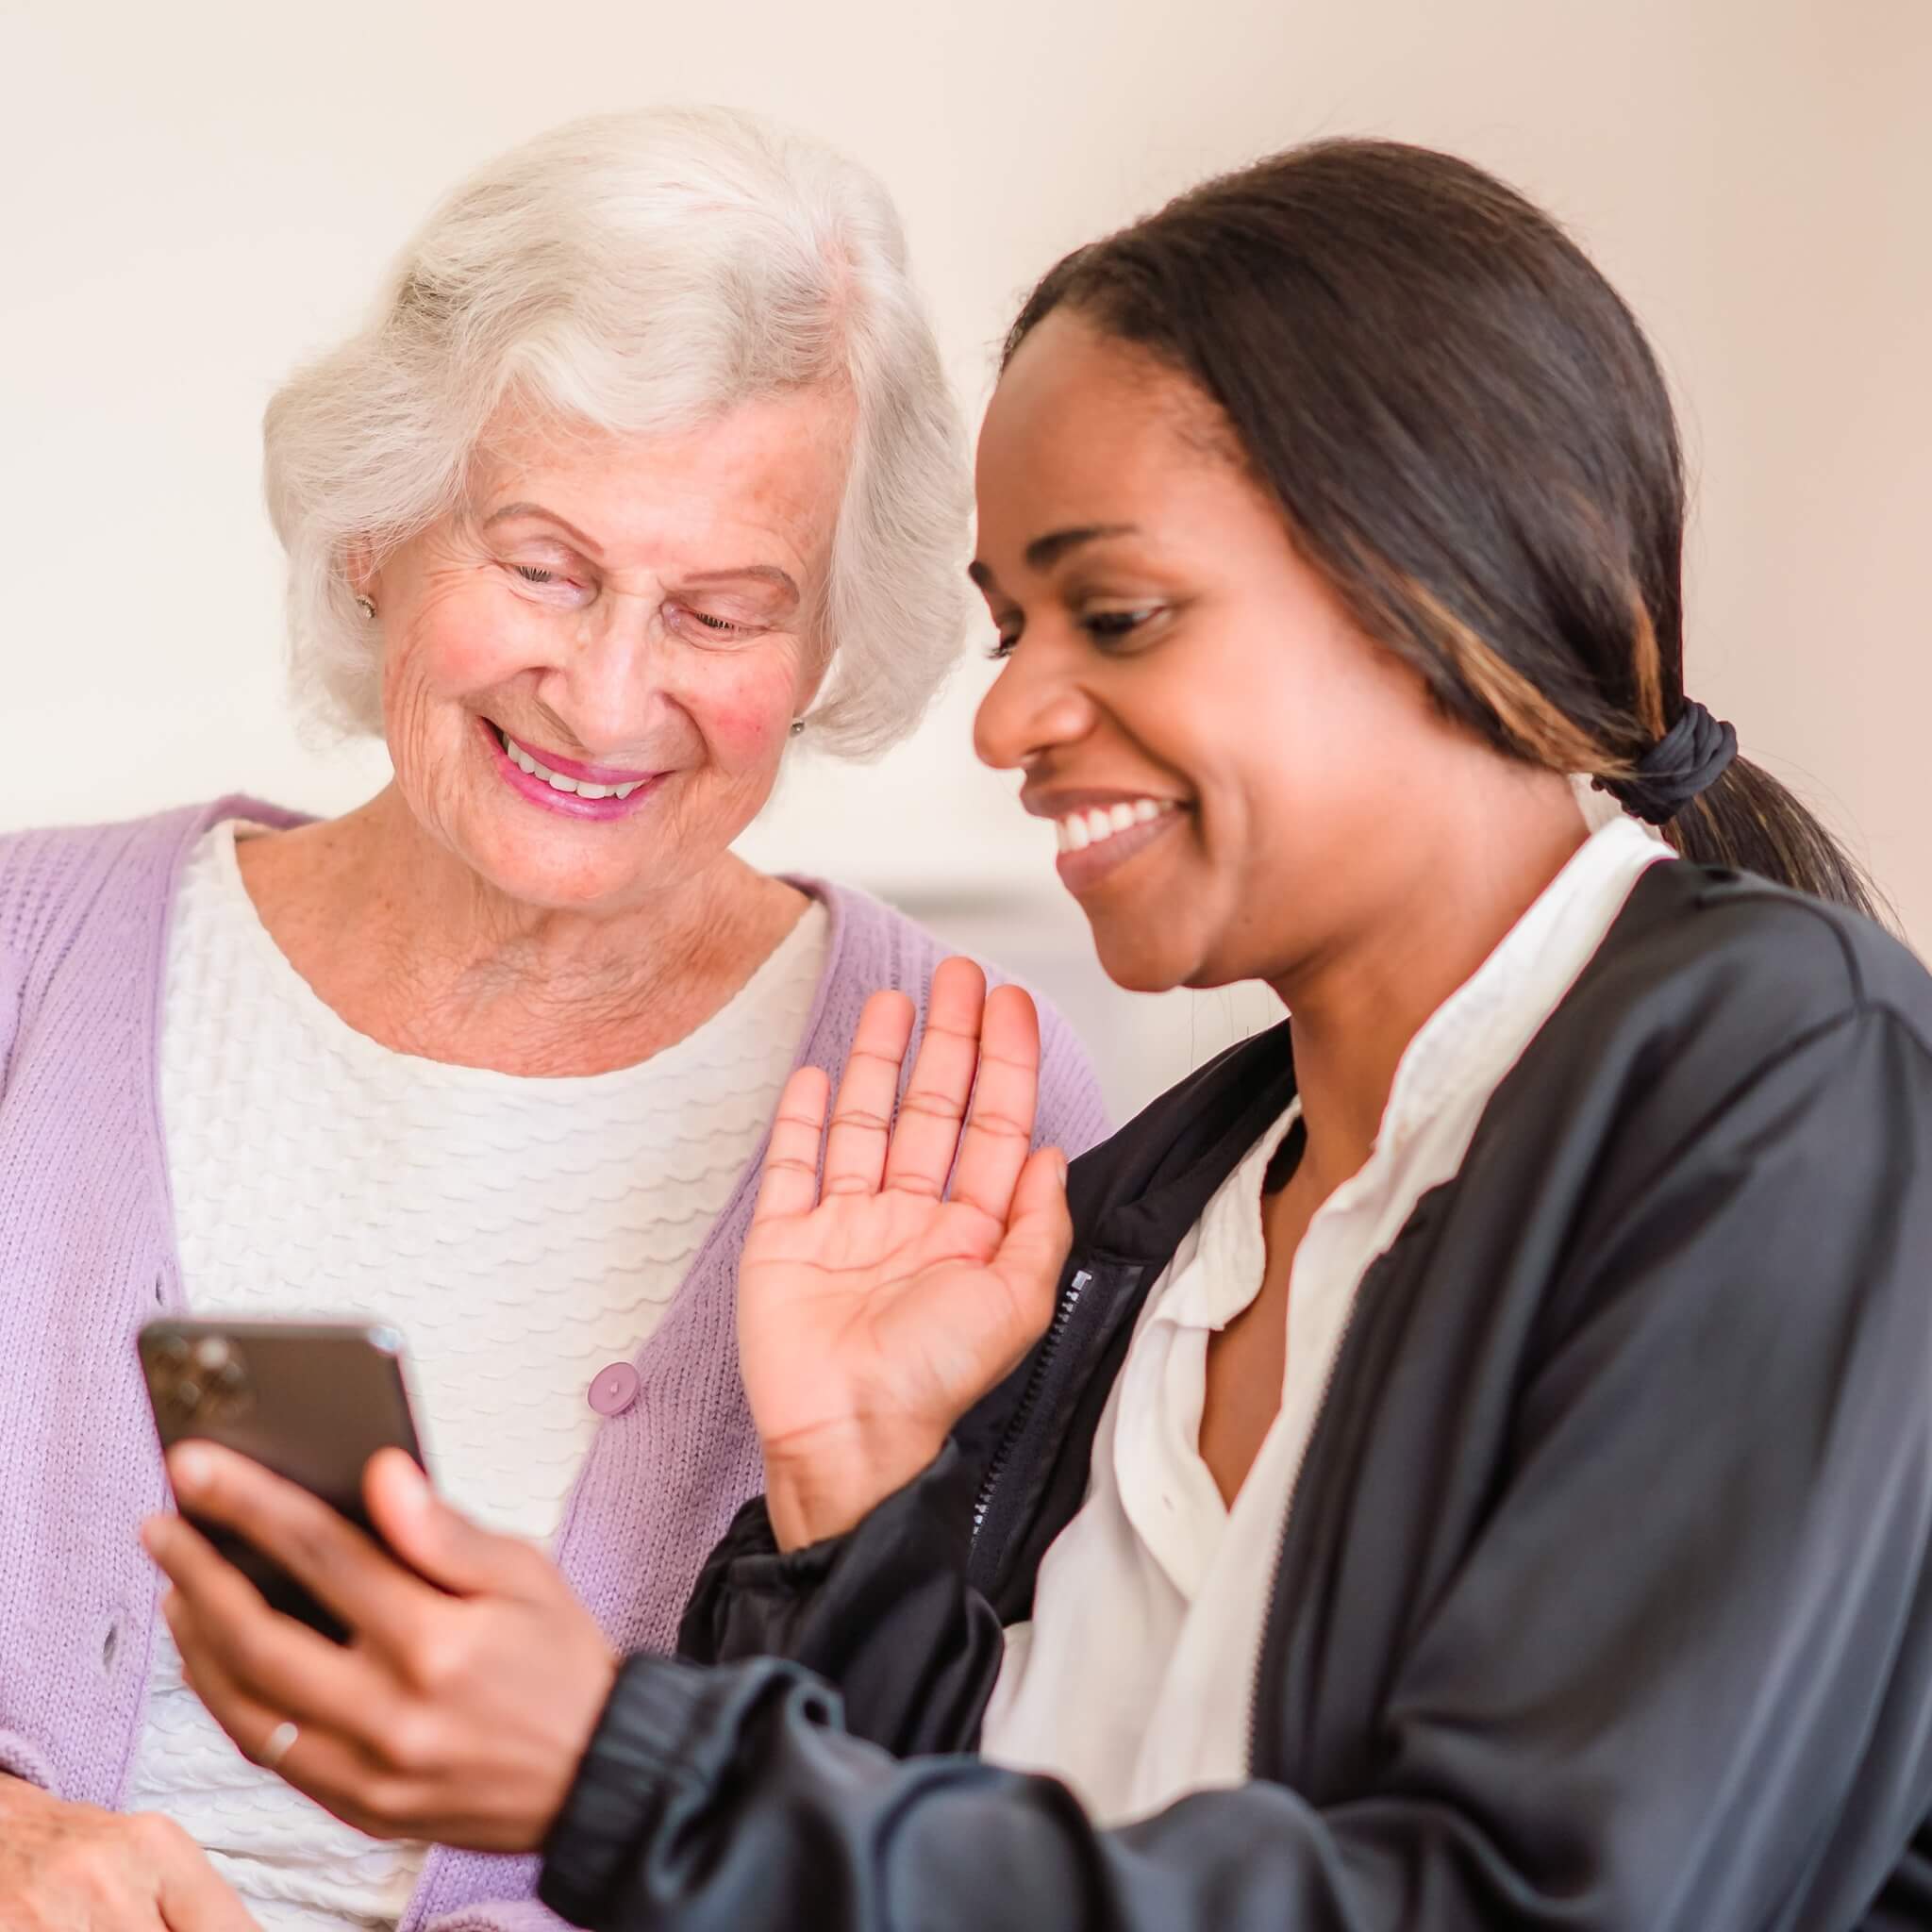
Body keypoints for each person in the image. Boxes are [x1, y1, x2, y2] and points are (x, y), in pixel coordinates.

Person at [147, 139, 1932, 1930]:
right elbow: (970, 1854)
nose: (1005, 716)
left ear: (1435, 581)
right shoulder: (1167, 1210)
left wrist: (620, 1763)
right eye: (1010, 625)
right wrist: (859, 1495)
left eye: (1119, 615)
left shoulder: (1781, 1074)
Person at [0, 106, 1107, 1932]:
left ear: (830, 647)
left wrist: (860, 1493)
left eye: (724, 610)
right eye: (544, 566)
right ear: (377, 538)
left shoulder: (955, 1084)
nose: (607, 696)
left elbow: (982, 1816)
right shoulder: (30, 957)